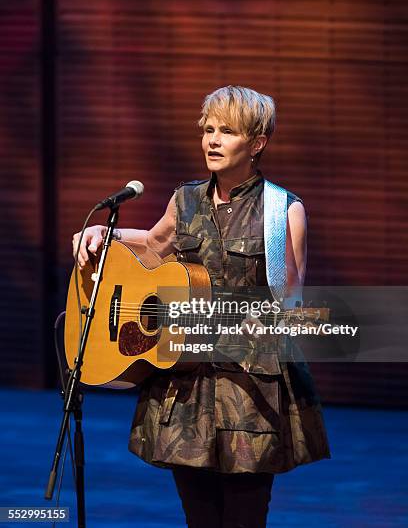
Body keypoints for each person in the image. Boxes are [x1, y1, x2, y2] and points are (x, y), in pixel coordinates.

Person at [72, 85, 331, 528]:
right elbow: (154, 244)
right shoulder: (186, 199)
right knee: (199, 520)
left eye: (226, 131)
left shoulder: (282, 211)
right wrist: (103, 233)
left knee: (244, 519)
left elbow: (291, 305)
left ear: (257, 142)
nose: (212, 140)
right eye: (207, 129)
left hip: (248, 394)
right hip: (185, 387)